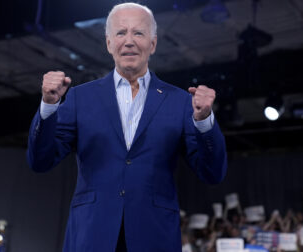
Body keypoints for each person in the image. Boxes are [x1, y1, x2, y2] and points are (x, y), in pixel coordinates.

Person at [27, 2, 227, 251]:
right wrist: (48, 106)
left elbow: (212, 173)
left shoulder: (181, 102)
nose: (129, 41)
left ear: (152, 44)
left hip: (154, 237)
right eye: (121, 33)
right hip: (92, 235)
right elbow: (40, 161)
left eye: (138, 33)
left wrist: (205, 122)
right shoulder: (80, 98)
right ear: (109, 43)